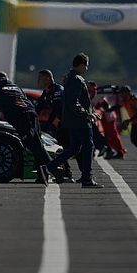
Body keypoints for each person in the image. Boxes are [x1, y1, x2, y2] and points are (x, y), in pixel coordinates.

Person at [46, 54, 102, 188]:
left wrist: (91, 112)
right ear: (81, 64)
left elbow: (75, 101)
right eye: (86, 65)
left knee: (74, 148)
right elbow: (73, 102)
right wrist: (86, 114)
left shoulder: (70, 77)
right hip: (80, 121)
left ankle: (50, 166)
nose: (86, 68)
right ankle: (87, 179)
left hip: (73, 120)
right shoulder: (76, 79)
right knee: (88, 146)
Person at [36, 69, 74, 182]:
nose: (38, 81)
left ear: (48, 78)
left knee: (68, 149)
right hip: (61, 124)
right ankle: (66, 173)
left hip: (68, 124)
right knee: (63, 148)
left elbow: (58, 109)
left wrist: (51, 124)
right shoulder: (47, 91)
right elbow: (39, 107)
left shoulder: (58, 91)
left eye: (40, 78)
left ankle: (68, 174)